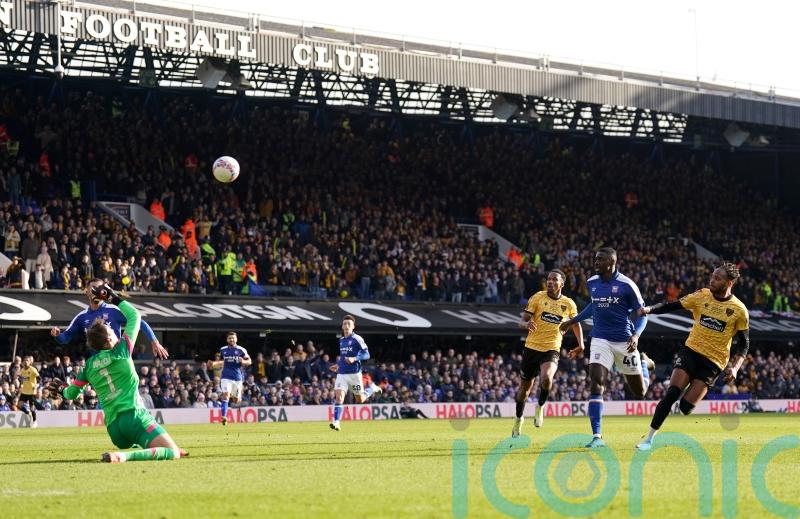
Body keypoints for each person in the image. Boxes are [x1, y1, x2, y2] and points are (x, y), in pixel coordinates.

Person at [49, 283, 186, 462]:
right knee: (172, 453)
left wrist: (61, 389)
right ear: (108, 339)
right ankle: (122, 457)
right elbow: (135, 316)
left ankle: (146, 447)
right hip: (134, 417)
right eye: (111, 331)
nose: (115, 333)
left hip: (115, 430)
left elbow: (71, 394)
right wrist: (112, 295)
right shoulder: (122, 351)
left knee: (150, 441)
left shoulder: (88, 366)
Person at [635, 263, 750, 450]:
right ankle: (648, 439)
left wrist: (735, 368)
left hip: (714, 363)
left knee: (685, 408)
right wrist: (649, 309)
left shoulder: (739, 310)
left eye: (717, 278)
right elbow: (672, 305)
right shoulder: (701, 295)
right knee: (672, 393)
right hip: (691, 351)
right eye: (712, 276)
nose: (712, 280)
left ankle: (689, 399)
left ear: (729, 283)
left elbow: (744, 344)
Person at [559, 247, 652, 448]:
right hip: (600, 338)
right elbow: (593, 306)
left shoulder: (627, 285)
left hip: (624, 341)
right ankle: (597, 436)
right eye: (595, 259)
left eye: (600, 260)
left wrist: (636, 335)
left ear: (611, 262)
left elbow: (642, 314)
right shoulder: (592, 283)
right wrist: (572, 321)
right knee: (596, 381)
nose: (595, 263)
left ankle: (644, 363)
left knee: (640, 391)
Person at [513, 270, 583, 438]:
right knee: (524, 390)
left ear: (562, 284)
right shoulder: (538, 297)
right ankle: (518, 419)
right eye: (549, 279)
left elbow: (575, 324)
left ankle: (540, 406)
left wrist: (581, 344)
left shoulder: (569, 304)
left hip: (552, 348)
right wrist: (526, 325)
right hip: (531, 348)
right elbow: (521, 321)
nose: (550, 282)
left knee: (547, 378)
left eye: (554, 280)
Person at [50, 278, 168, 359]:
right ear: (86, 292)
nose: (97, 291)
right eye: (94, 288)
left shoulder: (113, 310)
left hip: (117, 358)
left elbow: (139, 322)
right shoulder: (81, 317)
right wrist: (57, 335)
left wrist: (155, 342)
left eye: (100, 288)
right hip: (99, 364)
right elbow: (65, 338)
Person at [329, 315, 382, 431]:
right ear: (342, 326)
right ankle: (336, 422)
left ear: (353, 326)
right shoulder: (342, 340)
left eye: (349, 324)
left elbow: (366, 354)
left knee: (360, 400)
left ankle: (372, 389)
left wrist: (355, 358)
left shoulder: (357, 339)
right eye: (345, 324)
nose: (347, 326)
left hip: (355, 376)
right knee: (339, 398)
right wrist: (338, 365)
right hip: (342, 374)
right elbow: (344, 357)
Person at [211, 332, 251, 426]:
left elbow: (249, 361)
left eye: (233, 338)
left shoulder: (241, 350)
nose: (231, 340)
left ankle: (236, 398)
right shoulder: (222, 350)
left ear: (236, 339)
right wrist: (213, 364)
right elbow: (219, 361)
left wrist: (244, 361)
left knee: (236, 400)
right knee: (225, 396)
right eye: (229, 338)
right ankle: (224, 417)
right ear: (227, 340)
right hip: (225, 377)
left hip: (237, 378)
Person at [18, 355, 40, 428]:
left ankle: (35, 421)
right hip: (24, 391)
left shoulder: (33, 369)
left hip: (32, 392)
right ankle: (28, 412)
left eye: (27, 360)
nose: (26, 362)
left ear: (30, 362)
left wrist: (36, 385)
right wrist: (20, 384)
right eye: (25, 360)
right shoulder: (22, 370)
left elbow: (39, 378)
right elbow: (21, 378)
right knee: (19, 406)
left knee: (32, 407)